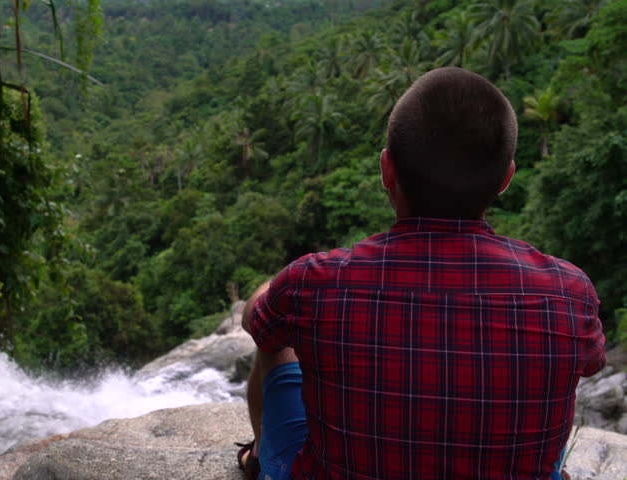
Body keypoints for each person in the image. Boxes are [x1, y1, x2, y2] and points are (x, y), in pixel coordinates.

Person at [237, 67, 607, 480]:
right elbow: (591, 363)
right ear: (506, 179)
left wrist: (265, 295)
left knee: (272, 328)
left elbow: (259, 324)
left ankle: (259, 457)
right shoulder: (568, 291)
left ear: (387, 171)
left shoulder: (314, 282)